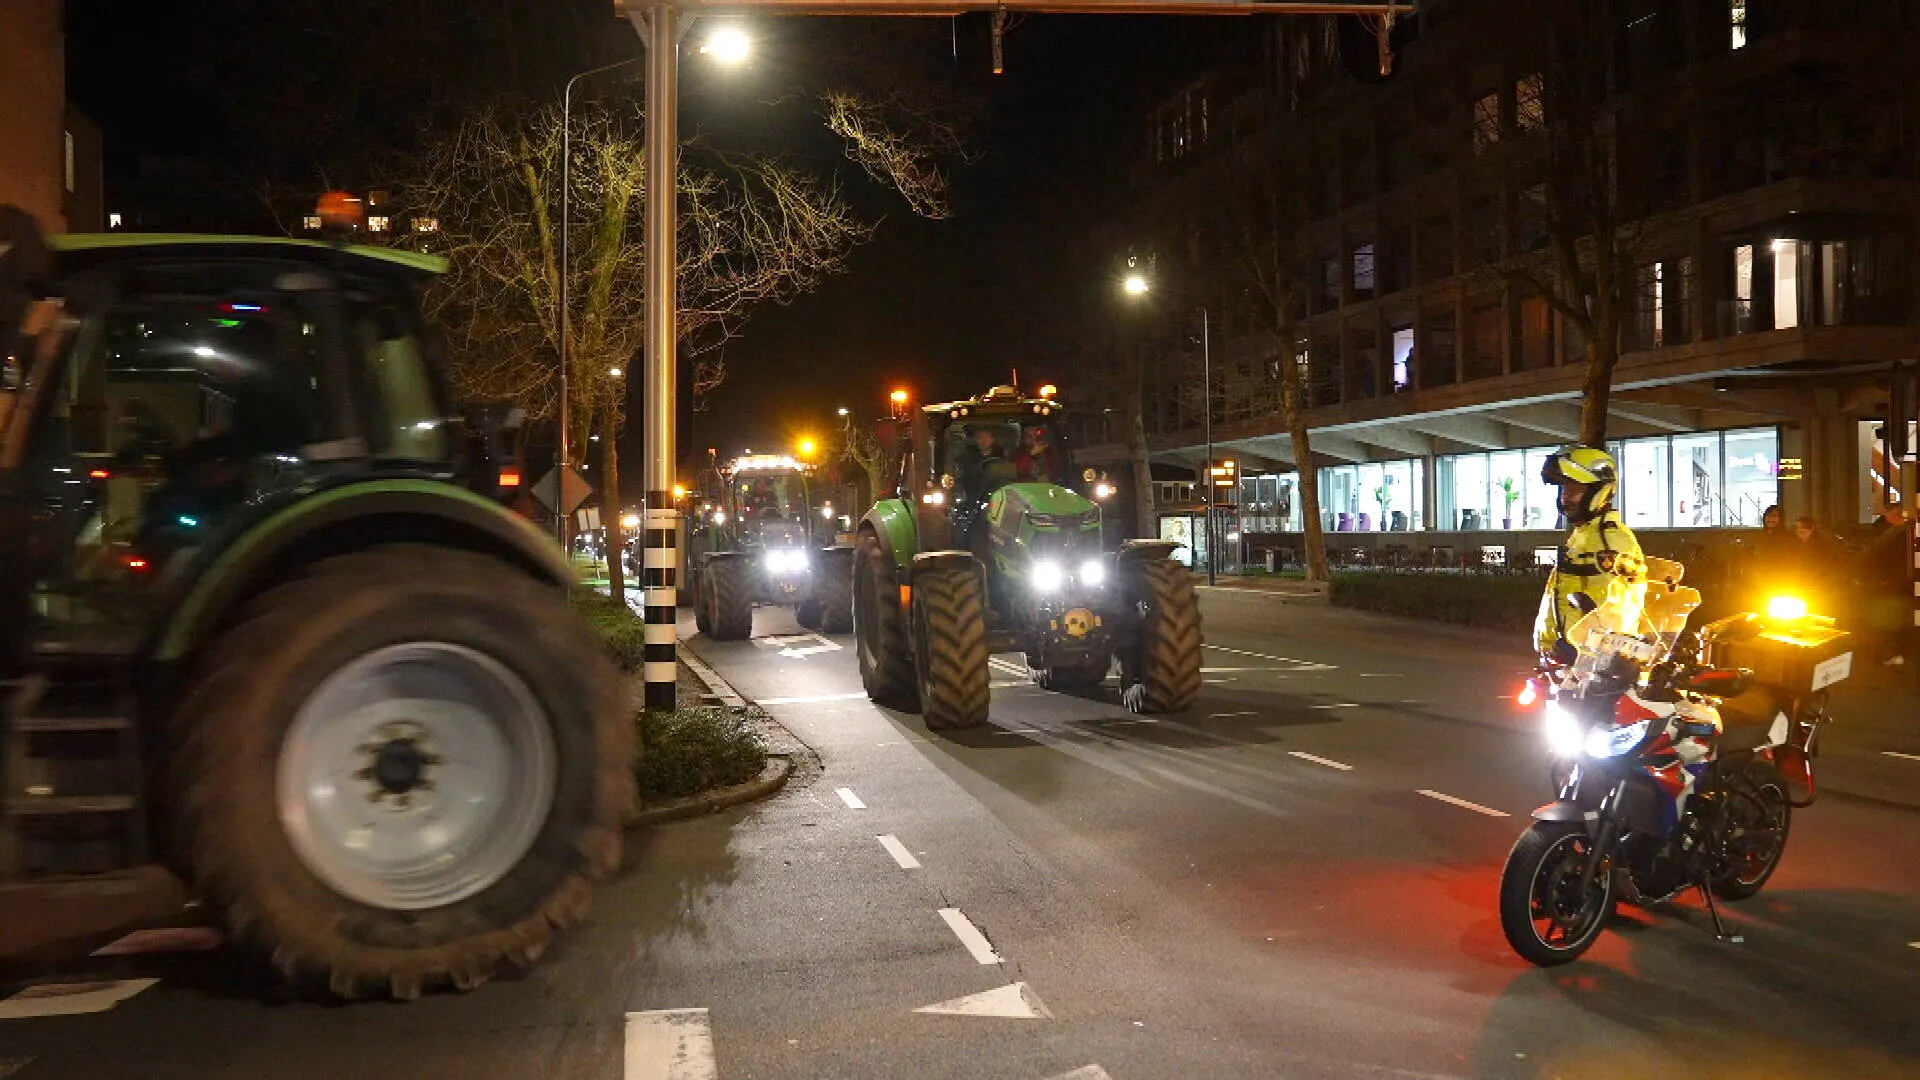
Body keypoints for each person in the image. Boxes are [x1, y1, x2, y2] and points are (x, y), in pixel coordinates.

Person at [1534, 445, 1646, 663]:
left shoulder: (1610, 539)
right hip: (1569, 664)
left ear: (1598, 491)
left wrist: (1583, 652)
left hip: (1594, 667)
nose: (1566, 496)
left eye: (1575, 488)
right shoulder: (1585, 533)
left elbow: (1618, 608)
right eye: (1564, 488)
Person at [1860, 499, 1913, 667]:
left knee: (1893, 620)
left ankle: (1889, 652)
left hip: (1891, 583)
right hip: (1888, 583)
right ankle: (1887, 653)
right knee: (1888, 621)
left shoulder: (1894, 532)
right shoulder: (1889, 532)